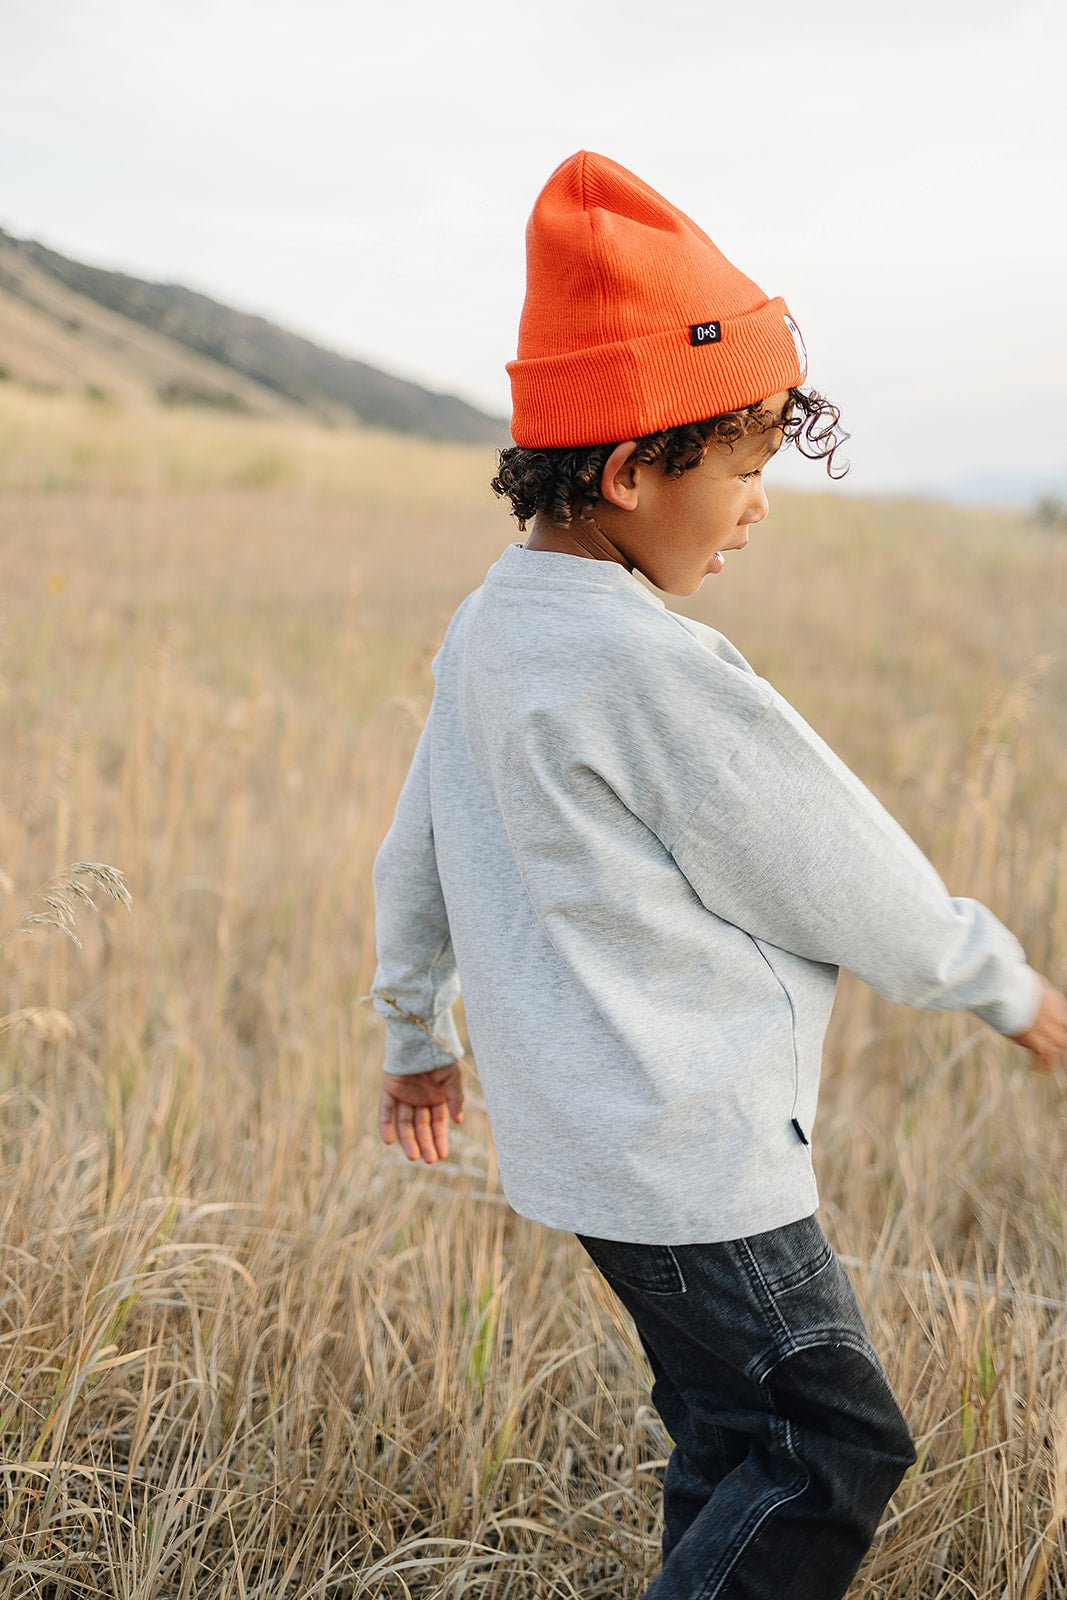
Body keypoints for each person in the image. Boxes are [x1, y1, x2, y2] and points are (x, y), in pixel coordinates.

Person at [369, 150, 1067, 1599]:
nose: (756, 507)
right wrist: (1001, 983)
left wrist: (411, 1035)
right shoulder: (653, 666)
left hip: (594, 1155)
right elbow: (848, 869)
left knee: (729, 1429)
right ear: (631, 468)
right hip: (693, 1160)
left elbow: (414, 850)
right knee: (832, 1447)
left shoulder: (491, 629)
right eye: (742, 469)